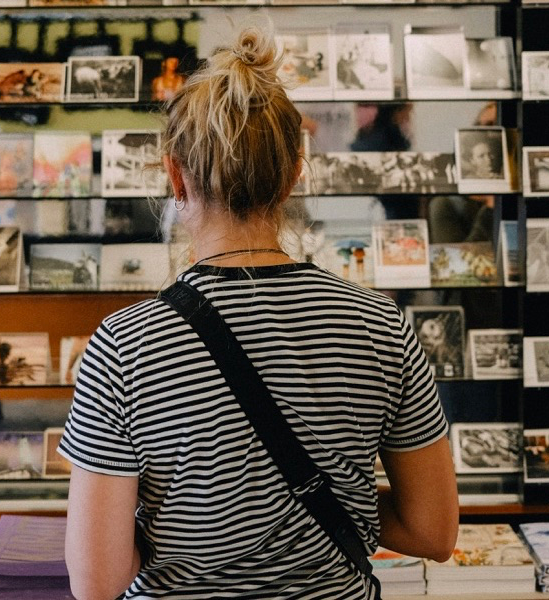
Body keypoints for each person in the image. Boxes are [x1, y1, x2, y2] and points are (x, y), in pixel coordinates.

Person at [59, 26, 458, 600]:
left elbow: (97, 581)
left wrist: (188, 526)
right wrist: (333, 506)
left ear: (175, 176)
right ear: (296, 171)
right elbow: (433, 531)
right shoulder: (381, 323)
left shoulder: (124, 345)